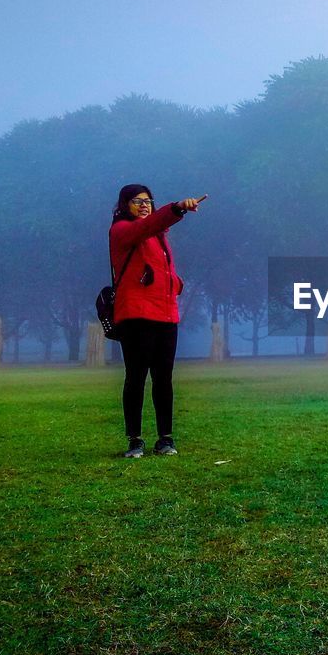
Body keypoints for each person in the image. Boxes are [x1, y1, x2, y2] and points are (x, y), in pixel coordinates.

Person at [109, 184, 206, 458]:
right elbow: (147, 226)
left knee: (164, 379)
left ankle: (165, 439)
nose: (144, 205)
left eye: (148, 200)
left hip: (165, 314)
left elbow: (161, 259)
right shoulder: (122, 231)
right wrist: (177, 208)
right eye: (137, 201)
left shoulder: (159, 235)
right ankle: (135, 440)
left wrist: (175, 283)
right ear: (124, 205)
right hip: (136, 314)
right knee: (136, 377)